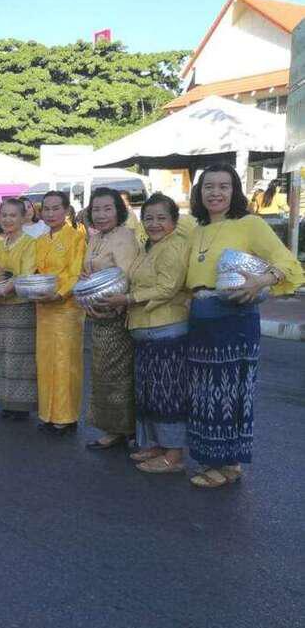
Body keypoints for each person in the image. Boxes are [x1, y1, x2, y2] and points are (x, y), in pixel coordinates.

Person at [183, 164, 303, 488]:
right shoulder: (197, 229)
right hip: (201, 321)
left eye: (224, 186)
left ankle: (228, 464)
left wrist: (262, 280)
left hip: (234, 318)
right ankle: (212, 459)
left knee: (229, 392)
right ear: (199, 192)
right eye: (209, 186)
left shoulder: (250, 224)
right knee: (203, 392)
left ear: (235, 191)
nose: (215, 193)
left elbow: (288, 263)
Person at [100, 194, 190, 473]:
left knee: (168, 393)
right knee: (150, 393)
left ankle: (173, 455)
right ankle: (159, 445)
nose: (154, 224)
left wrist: (127, 299)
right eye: (148, 218)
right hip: (143, 329)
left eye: (161, 218)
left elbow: (167, 288)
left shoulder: (174, 247)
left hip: (166, 330)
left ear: (174, 221)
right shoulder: (149, 247)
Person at [82, 187, 140, 450]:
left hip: (117, 315)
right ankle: (112, 427)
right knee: (102, 373)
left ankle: (124, 429)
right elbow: (90, 272)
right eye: (96, 209)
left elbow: (126, 277)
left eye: (107, 208)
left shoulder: (124, 237)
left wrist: (114, 306)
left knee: (118, 374)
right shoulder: (95, 237)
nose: (101, 214)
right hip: (98, 315)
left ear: (119, 211)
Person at [34, 191, 86, 435]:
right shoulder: (40, 240)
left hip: (66, 308)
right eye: (46, 209)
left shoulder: (76, 238)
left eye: (56, 208)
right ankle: (48, 413)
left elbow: (76, 273)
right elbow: (36, 271)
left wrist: (60, 293)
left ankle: (66, 416)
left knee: (65, 362)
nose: (51, 213)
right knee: (46, 360)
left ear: (66, 211)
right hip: (44, 307)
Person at [0, 198, 37, 420]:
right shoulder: (0, 243)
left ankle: (22, 406)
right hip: (2, 306)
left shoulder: (29, 243)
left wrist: (3, 289)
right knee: (4, 354)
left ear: (23, 218)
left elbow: (26, 274)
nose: (7, 219)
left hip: (21, 307)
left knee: (21, 357)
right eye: (4, 215)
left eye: (13, 215)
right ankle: (8, 401)